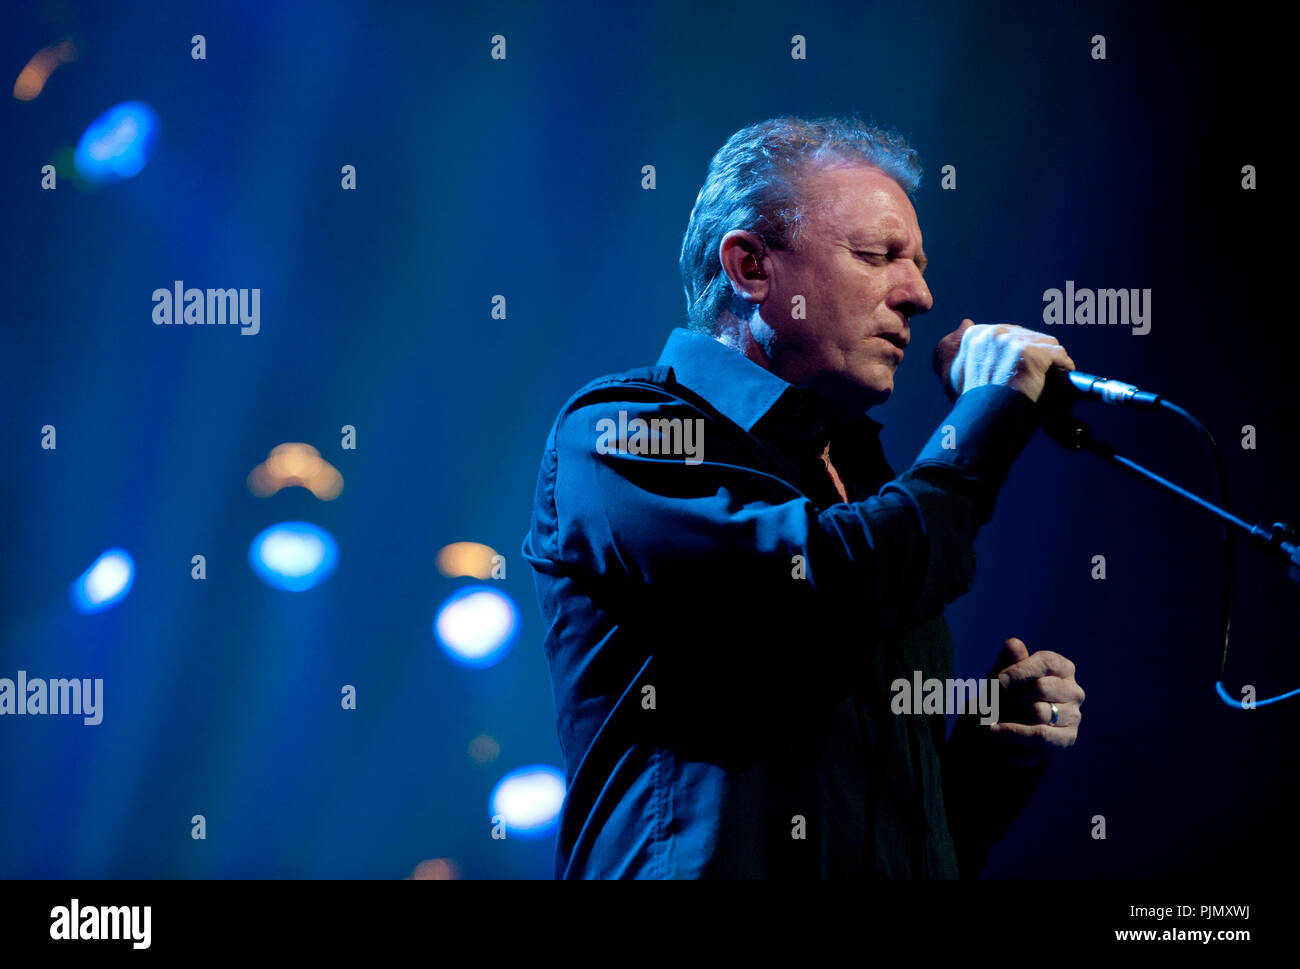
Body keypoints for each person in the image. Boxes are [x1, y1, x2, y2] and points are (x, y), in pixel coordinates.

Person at [521, 116, 1086, 879]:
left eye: (917, 264)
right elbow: (818, 582)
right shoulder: (622, 433)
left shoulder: (873, 485)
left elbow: (892, 839)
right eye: (878, 255)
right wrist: (988, 415)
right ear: (751, 268)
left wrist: (988, 757)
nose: (918, 294)